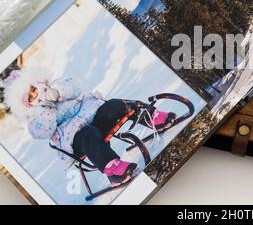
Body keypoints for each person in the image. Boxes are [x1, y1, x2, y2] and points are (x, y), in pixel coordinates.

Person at [4, 67, 176, 186]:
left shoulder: (56, 85)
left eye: (34, 88)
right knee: (88, 134)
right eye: (30, 97)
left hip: (97, 119)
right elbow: (42, 131)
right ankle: (114, 169)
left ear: (38, 81)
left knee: (114, 105)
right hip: (79, 142)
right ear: (26, 105)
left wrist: (57, 92)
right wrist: (46, 108)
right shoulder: (35, 118)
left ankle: (153, 117)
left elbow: (75, 87)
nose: (36, 95)